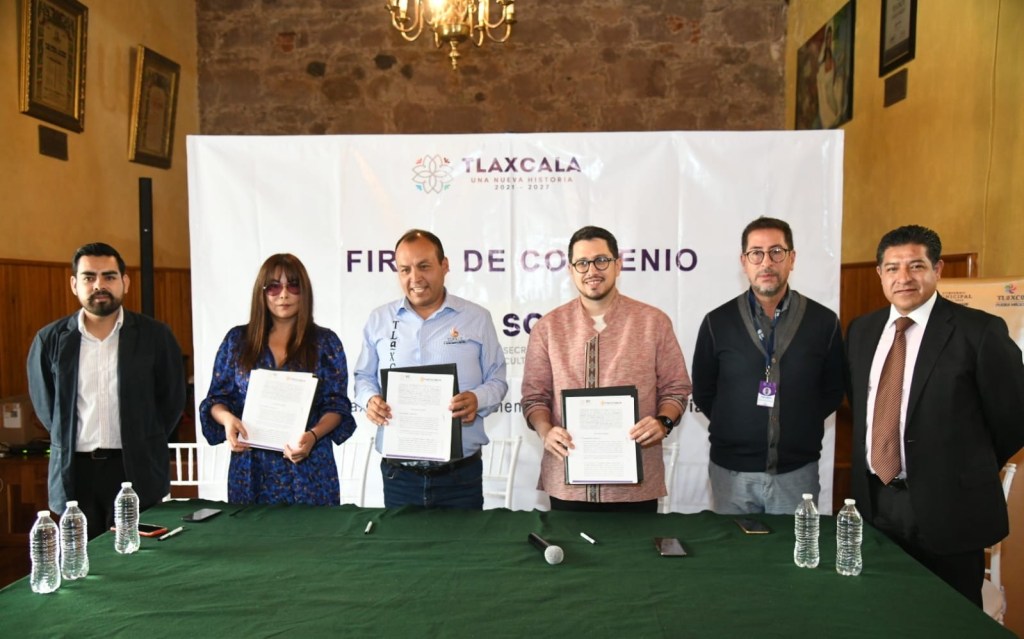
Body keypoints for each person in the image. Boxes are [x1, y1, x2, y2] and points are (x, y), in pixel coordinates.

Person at [847, 225, 1024, 606]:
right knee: (880, 610)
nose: (903, 277)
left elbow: (1012, 419)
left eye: (916, 266)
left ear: (938, 269)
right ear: (879, 273)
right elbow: (861, 407)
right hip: (876, 505)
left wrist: (964, 468)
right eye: (892, 268)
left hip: (950, 509)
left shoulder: (979, 332)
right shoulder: (861, 331)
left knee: (950, 618)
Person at [521, 226, 692, 512]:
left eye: (601, 260)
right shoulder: (548, 328)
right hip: (568, 482)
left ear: (618, 264)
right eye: (582, 263)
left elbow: (677, 388)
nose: (592, 270)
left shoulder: (653, 322)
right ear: (571, 270)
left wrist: (663, 422)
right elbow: (533, 397)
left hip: (636, 484)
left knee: (635, 544)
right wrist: (545, 431)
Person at [27, 242, 186, 538]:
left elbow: (172, 401)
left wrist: (143, 438)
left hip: (135, 470)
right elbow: (47, 410)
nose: (99, 285)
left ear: (125, 282)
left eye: (109, 276)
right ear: (74, 284)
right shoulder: (50, 340)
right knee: (81, 560)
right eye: (89, 277)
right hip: (75, 473)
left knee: (139, 558)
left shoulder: (155, 336)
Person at [691, 217, 844, 515]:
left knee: (794, 546)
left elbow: (833, 391)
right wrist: (739, 427)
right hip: (731, 474)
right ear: (744, 261)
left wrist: (799, 423)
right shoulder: (717, 322)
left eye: (776, 252)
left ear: (792, 258)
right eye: (756, 253)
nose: (766, 262)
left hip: (796, 473)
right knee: (732, 546)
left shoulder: (824, 322)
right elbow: (704, 392)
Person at [354, 229, 508, 509]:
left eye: (424, 266)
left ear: (444, 265)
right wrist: (369, 399)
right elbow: (363, 377)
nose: (415, 278)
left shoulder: (477, 318)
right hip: (399, 477)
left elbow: (497, 379)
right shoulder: (379, 319)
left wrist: (477, 399)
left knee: (466, 540)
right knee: (401, 540)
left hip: (460, 476)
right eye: (405, 269)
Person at [200, 254, 355, 505]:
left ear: (305, 291)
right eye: (273, 286)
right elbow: (217, 399)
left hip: (310, 466)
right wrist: (227, 420)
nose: (283, 294)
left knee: (314, 531)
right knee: (251, 531)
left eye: (293, 285)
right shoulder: (237, 341)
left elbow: (336, 405)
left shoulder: (326, 343)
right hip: (251, 468)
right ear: (261, 293)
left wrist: (313, 436)